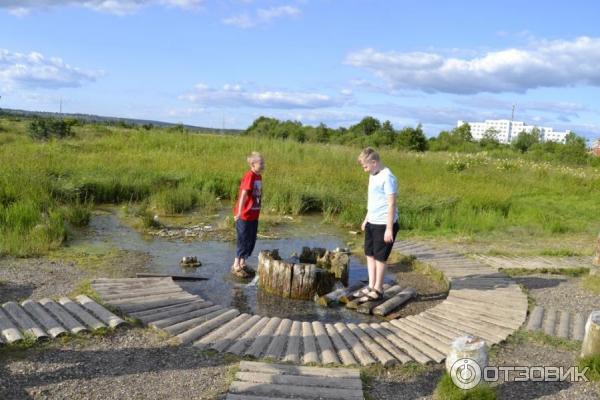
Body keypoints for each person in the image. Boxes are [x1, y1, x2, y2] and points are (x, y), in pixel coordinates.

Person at [353, 147, 399, 302]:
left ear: (374, 162)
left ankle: (378, 290)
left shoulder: (388, 177)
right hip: (372, 221)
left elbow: (391, 204)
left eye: (365, 166)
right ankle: (371, 286)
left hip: (383, 224)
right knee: (369, 254)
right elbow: (373, 200)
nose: (364, 170)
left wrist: (389, 228)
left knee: (380, 258)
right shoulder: (373, 174)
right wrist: (366, 218)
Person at [231, 151, 264, 278]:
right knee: (243, 239)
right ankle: (236, 264)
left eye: (263, 163)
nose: (263, 165)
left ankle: (243, 262)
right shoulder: (249, 176)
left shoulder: (258, 177)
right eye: (261, 163)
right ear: (252, 164)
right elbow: (244, 195)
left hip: (254, 215)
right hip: (244, 215)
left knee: (251, 239)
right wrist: (239, 212)